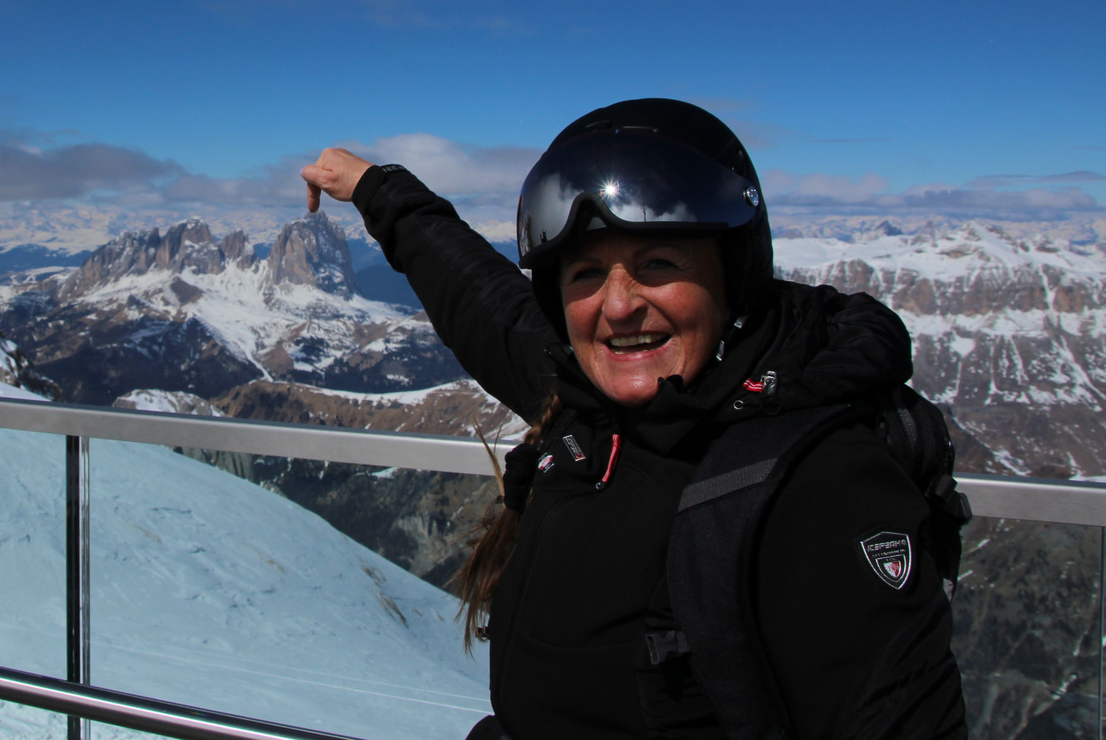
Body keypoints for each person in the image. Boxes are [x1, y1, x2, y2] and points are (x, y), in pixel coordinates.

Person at [301, 99, 966, 740]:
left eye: (658, 264)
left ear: (731, 277)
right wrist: (374, 187)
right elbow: (485, 303)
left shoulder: (813, 482)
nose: (618, 306)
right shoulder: (592, 401)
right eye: (586, 274)